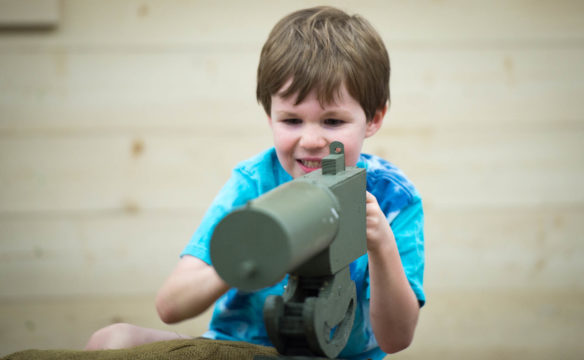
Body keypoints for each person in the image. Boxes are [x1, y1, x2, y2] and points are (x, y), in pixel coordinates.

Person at [85, 6, 425, 359]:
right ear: (270, 116)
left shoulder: (391, 198)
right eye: (292, 120)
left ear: (373, 119)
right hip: (240, 351)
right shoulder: (254, 182)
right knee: (111, 341)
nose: (310, 140)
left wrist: (382, 244)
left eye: (333, 121)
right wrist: (248, 258)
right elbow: (171, 305)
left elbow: (396, 338)